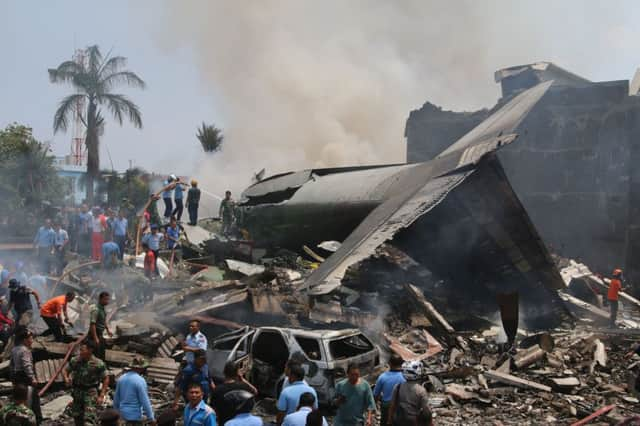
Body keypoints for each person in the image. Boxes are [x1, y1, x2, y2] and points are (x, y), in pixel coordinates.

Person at [62, 340, 109, 426]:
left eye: (82, 350)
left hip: (90, 392)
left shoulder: (98, 363)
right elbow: (65, 370)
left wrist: (102, 395)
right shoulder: (75, 360)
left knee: (89, 419)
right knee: (77, 417)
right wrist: (66, 378)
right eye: (80, 350)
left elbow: (106, 378)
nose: (80, 352)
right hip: (77, 392)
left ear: (90, 350)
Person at [9, 329, 42, 424]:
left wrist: (12, 378)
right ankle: (36, 420)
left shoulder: (14, 349)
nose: (32, 340)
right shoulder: (25, 351)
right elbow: (27, 365)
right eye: (31, 338)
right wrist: (33, 378)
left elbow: (11, 365)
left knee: (19, 398)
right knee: (32, 399)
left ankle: (19, 419)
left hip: (17, 377)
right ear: (25, 340)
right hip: (25, 377)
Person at [113, 356, 156, 425]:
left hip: (122, 415)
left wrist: (116, 415)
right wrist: (151, 418)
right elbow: (145, 401)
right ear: (141, 368)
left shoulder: (121, 378)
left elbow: (116, 399)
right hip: (134, 417)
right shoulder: (140, 380)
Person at [387, 361, 430, 426]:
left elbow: (392, 405)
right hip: (413, 421)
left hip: (398, 420)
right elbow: (426, 410)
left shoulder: (398, 386)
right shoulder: (421, 390)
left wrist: (389, 421)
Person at [373, 355, 406, 426]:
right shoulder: (405, 377)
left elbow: (375, 395)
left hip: (386, 407)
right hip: (400, 406)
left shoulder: (382, 377)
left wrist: (374, 407)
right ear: (401, 364)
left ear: (389, 363)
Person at [89, 291, 113, 360]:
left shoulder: (102, 309)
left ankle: (101, 366)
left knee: (101, 351)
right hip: (95, 333)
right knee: (95, 353)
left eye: (108, 299)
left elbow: (104, 321)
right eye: (105, 299)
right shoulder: (96, 309)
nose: (107, 301)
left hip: (100, 334)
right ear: (100, 299)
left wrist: (108, 330)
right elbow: (92, 324)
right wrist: (95, 338)